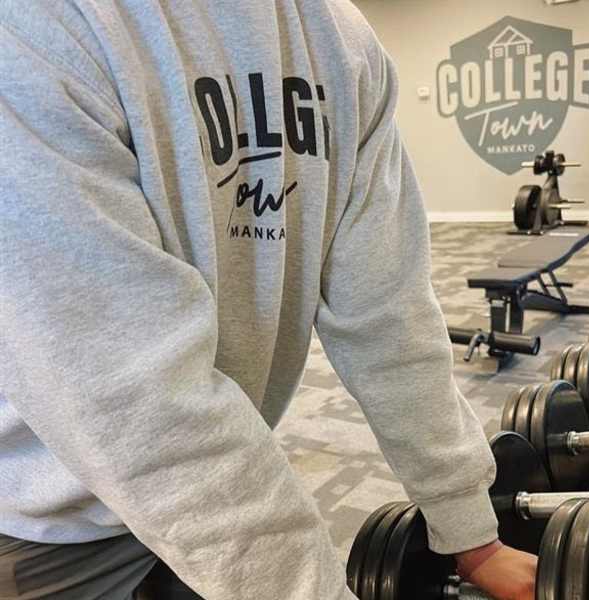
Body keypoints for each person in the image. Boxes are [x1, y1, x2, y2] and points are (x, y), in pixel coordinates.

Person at [0, 1, 536, 598]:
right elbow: (123, 386)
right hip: (48, 526)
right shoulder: (35, 25)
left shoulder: (340, 38)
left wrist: (468, 524)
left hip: (223, 489)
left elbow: (389, 313)